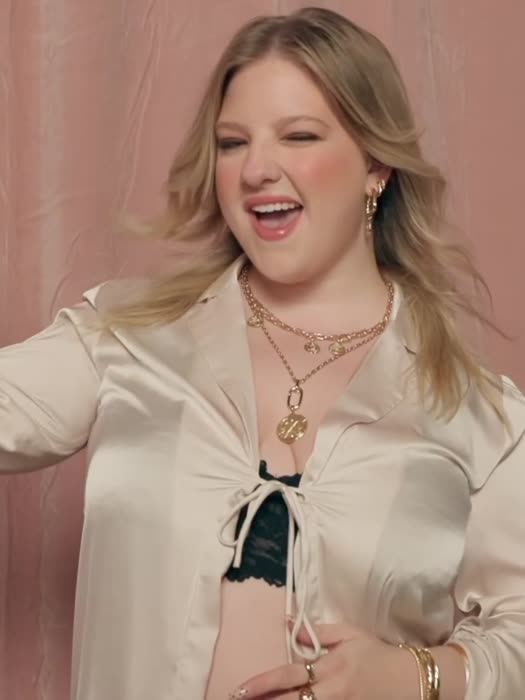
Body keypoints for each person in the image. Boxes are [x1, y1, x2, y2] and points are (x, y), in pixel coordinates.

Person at [1, 6, 524, 700]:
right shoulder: (126, 336)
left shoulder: (482, 416)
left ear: (374, 165)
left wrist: (415, 674)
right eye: (232, 143)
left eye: (298, 136)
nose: (256, 169)